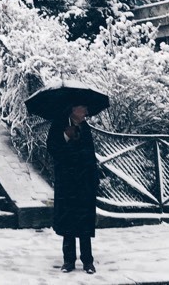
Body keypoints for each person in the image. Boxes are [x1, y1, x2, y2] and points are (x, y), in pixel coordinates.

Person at [47, 103, 100, 275]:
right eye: (83, 108)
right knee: (68, 221)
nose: (86, 112)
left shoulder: (85, 128)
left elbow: (90, 154)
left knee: (84, 222)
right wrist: (66, 136)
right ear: (73, 110)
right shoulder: (58, 126)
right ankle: (68, 261)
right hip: (67, 182)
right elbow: (52, 149)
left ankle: (88, 261)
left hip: (84, 182)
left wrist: (94, 178)